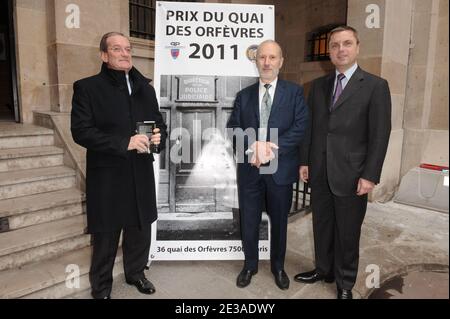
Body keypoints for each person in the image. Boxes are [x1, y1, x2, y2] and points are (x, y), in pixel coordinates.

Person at [294, 26, 391, 299]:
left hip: (353, 174)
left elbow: (380, 135)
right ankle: (323, 269)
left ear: (357, 47)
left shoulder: (375, 86)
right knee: (322, 225)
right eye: (334, 45)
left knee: (347, 232)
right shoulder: (318, 86)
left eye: (346, 44)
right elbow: (311, 128)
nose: (340, 49)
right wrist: (305, 161)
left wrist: (370, 175)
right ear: (329, 51)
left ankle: (345, 283)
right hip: (321, 170)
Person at [71, 32, 167, 299]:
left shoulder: (145, 88)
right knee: (106, 235)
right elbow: (81, 131)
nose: (125, 53)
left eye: (128, 48)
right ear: (104, 55)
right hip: (108, 176)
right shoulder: (87, 87)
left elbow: (159, 124)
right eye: (117, 49)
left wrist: (159, 137)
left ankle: (136, 273)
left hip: (140, 172)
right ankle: (101, 288)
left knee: (139, 229)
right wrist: (124, 142)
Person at [227, 40, 308, 290]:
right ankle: (249, 265)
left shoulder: (294, 93)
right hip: (250, 168)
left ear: (281, 62)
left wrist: (269, 147)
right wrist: (254, 147)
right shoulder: (244, 95)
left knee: (280, 222)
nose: (267, 62)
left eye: (272, 58)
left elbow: (300, 126)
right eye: (262, 57)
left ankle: (278, 267)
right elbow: (234, 127)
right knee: (249, 219)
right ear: (256, 60)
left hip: (280, 169)